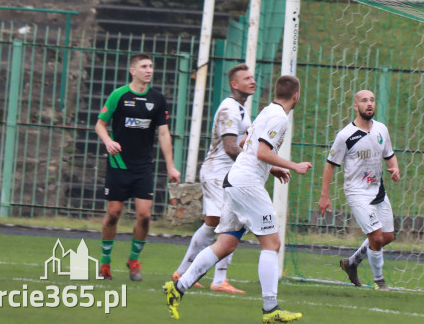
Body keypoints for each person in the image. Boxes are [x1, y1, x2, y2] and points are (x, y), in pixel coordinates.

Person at [163, 74, 313, 323]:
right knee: (272, 244)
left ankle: (177, 287)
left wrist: (271, 168)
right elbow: (263, 151)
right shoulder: (278, 118)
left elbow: (246, 141)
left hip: (234, 180)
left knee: (225, 244)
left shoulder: (267, 110)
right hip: (248, 185)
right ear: (296, 96)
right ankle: (271, 309)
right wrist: (292, 165)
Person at [95, 52, 181, 281]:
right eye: (144, 66)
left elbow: (163, 133)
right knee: (113, 214)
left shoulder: (157, 99)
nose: (149, 70)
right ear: (133, 71)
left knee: (144, 216)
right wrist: (108, 141)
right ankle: (105, 262)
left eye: (151, 66)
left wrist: (171, 167)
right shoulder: (119, 95)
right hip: (118, 163)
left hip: (143, 166)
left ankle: (133, 260)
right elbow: (100, 124)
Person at [172, 63, 257, 294]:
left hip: (224, 173)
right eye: (247, 78)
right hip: (218, 174)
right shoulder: (230, 109)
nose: (252, 81)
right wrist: (254, 163)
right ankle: (219, 280)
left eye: (253, 77)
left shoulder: (240, 108)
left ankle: (182, 272)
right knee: (230, 225)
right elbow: (230, 147)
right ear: (234, 84)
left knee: (212, 225)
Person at [318, 89, 401, 291]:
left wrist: (395, 168)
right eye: (364, 101)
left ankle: (352, 263)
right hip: (357, 192)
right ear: (355, 106)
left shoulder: (381, 129)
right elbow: (330, 165)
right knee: (376, 236)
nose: (369, 104)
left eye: (372, 100)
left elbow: (389, 155)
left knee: (387, 237)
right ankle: (380, 282)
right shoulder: (345, 135)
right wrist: (324, 196)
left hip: (377, 190)